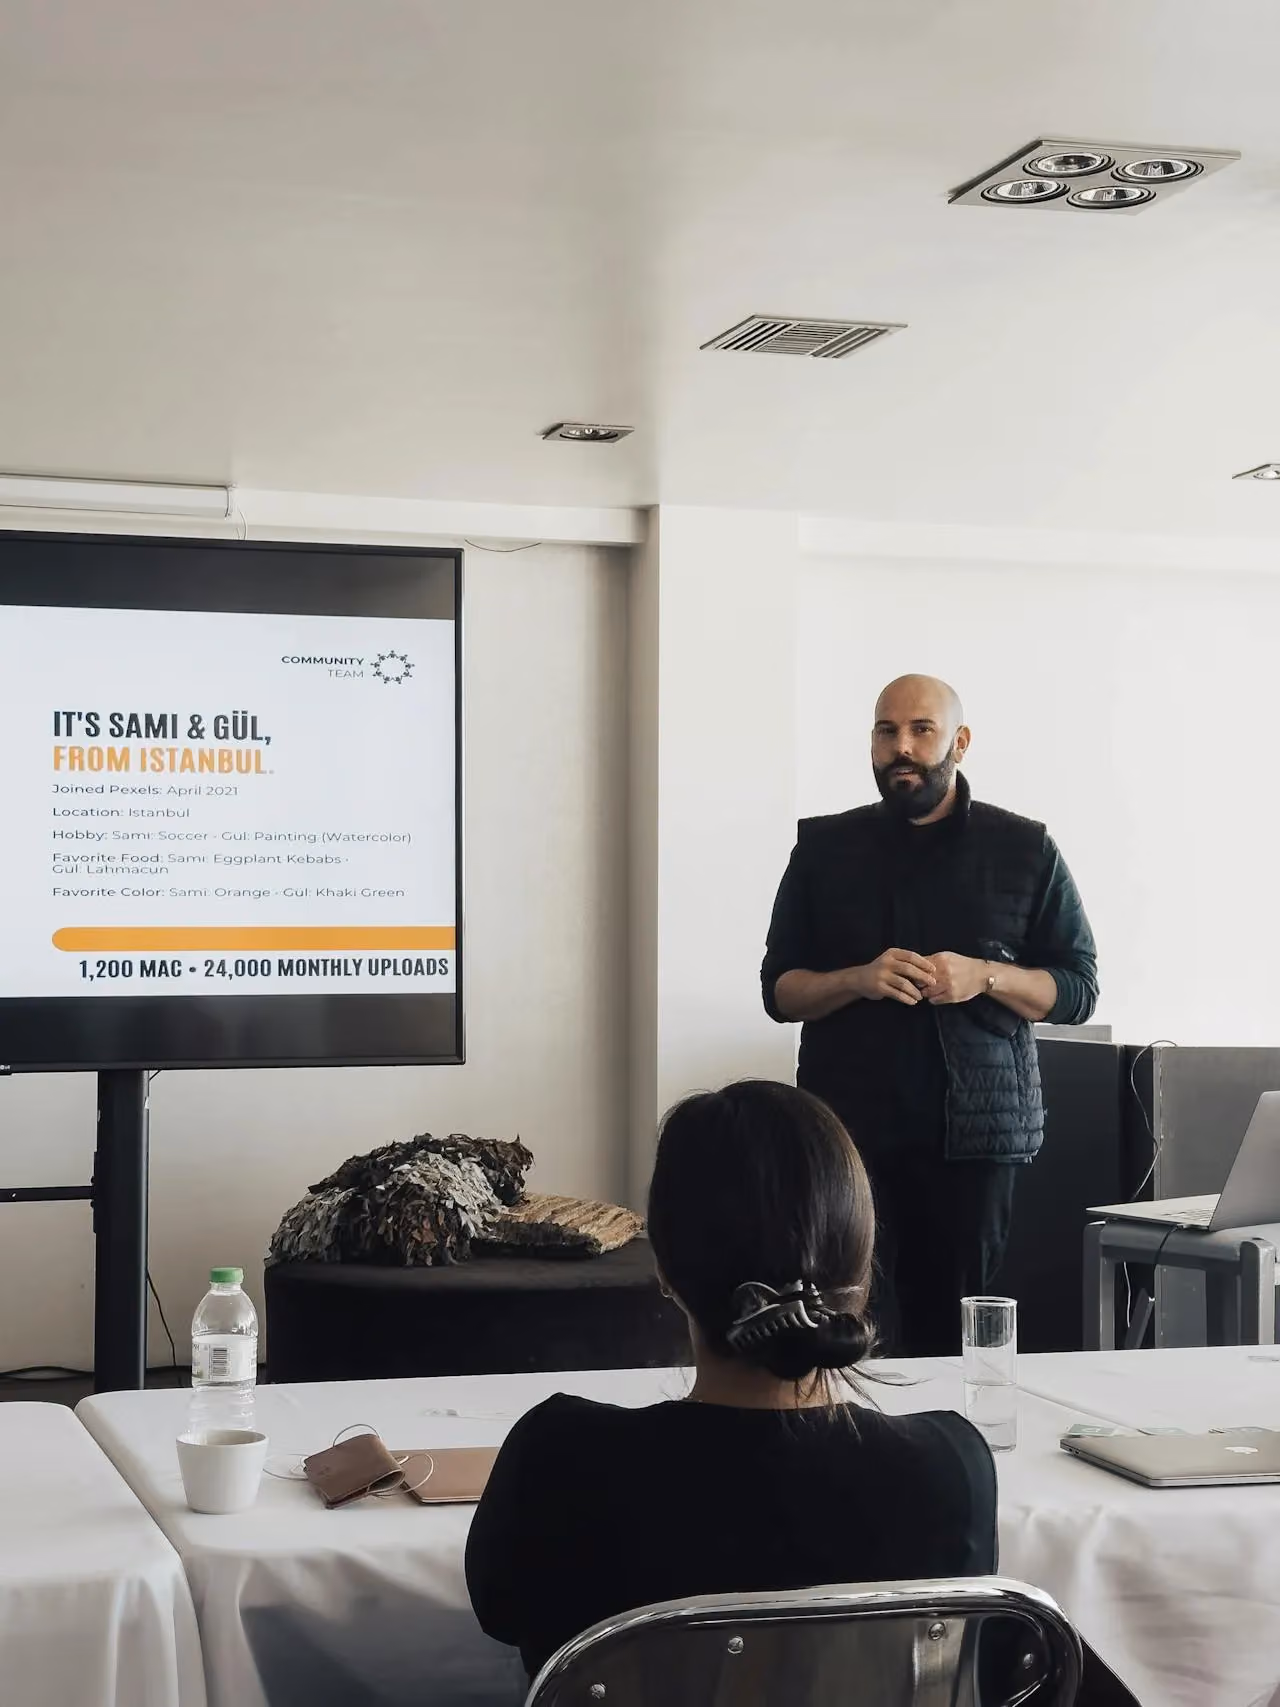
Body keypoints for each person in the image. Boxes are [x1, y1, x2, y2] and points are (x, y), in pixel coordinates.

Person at [464, 1080, 1134, 1706]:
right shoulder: (951, 1466)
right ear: (861, 1273)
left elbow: (501, 1613)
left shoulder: (561, 1455)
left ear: (663, 1268)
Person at [760, 675, 1098, 1356]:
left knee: (955, 1331)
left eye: (921, 730)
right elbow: (779, 990)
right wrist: (857, 978)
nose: (902, 748)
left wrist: (986, 975)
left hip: (976, 1143)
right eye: (887, 731)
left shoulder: (1025, 849)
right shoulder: (823, 850)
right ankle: (852, 1457)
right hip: (848, 1133)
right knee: (846, 1324)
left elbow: (1079, 988)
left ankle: (949, 1457)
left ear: (960, 742)